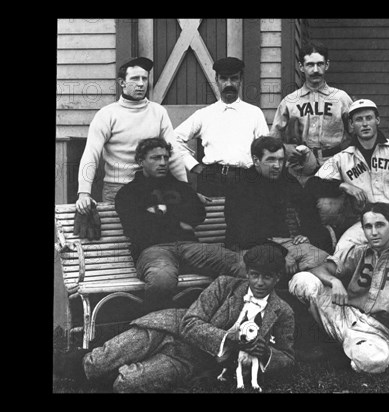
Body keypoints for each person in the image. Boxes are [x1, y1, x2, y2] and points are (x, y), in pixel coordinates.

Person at [54, 243, 295, 393]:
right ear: (248, 274)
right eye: (254, 275)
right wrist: (227, 337)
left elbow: (288, 358)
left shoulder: (282, 311)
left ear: (277, 278)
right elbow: (190, 322)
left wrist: (267, 354)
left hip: (196, 361)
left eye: (267, 277)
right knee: (97, 363)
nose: (260, 283)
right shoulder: (225, 285)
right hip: (168, 330)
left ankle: (114, 369)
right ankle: (78, 363)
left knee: (127, 384)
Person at [289, 203, 389, 374]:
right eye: (368, 226)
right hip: (344, 315)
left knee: (375, 361)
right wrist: (335, 282)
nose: (373, 232)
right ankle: (342, 348)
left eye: (380, 225)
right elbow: (319, 270)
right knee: (302, 280)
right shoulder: (359, 252)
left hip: (376, 331)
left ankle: (334, 349)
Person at [115, 138, 246, 311]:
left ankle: (229, 317)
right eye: (155, 158)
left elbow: (198, 215)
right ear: (141, 161)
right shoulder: (128, 193)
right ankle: (157, 327)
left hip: (190, 247)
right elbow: (134, 227)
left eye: (165, 157)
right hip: (153, 250)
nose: (162, 163)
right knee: (161, 280)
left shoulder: (181, 187)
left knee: (242, 265)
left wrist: (158, 211)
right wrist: (177, 216)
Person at [306, 99, 389, 258]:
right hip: (365, 224)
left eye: (369, 118)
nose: (365, 124)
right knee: (340, 256)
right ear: (351, 125)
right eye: (359, 120)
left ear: (377, 120)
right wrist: (343, 186)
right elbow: (313, 184)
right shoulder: (343, 158)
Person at [76, 57, 187, 215]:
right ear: (122, 83)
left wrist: (185, 189)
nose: (141, 84)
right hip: (117, 189)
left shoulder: (158, 112)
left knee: (153, 234)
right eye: (135, 78)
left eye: (144, 78)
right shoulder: (107, 115)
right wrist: (84, 193)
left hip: (153, 188)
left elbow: (174, 153)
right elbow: (91, 154)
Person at [270, 41, 354, 232]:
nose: (315, 70)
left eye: (319, 64)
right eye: (309, 65)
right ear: (301, 67)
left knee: (328, 213)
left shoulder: (340, 98)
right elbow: (274, 140)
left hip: (332, 163)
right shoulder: (290, 101)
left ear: (327, 65)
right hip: (300, 167)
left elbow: (354, 135)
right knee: (300, 215)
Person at [225, 135, 331, 280]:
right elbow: (244, 234)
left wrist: (306, 233)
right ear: (256, 160)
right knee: (271, 269)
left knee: (326, 262)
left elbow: (307, 207)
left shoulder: (285, 179)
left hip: (285, 244)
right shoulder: (241, 186)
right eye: (271, 160)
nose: (277, 165)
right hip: (248, 247)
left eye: (281, 160)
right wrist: (282, 253)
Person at [173, 57, 269, 197]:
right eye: (224, 78)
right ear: (217, 80)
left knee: (244, 218)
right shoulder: (204, 114)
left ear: (241, 80)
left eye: (234, 78)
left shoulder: (254, 113)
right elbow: (173, 139)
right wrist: (194, 166)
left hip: (246, 180)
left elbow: (264, 148)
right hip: (212, 180)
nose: (229, 84)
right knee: (213, 217)